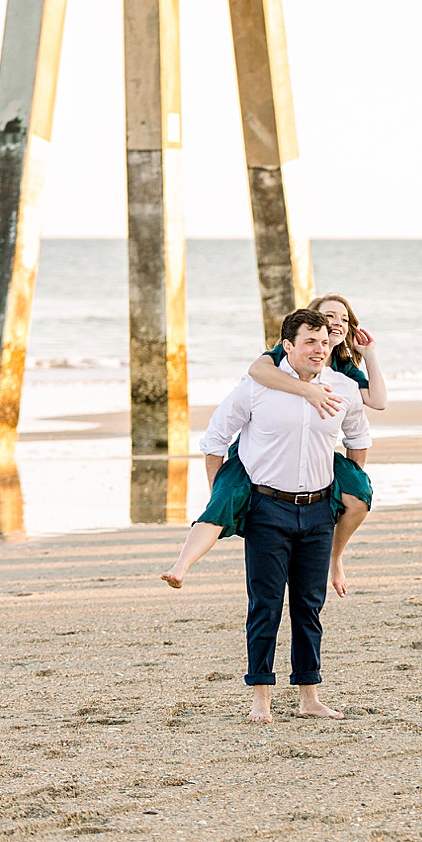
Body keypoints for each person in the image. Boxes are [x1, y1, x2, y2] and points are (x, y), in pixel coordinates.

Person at [159, 308, 372, 724]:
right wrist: (222, 492)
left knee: (309, 607)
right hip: (267, 508)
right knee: (265, 606)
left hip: (317, 511)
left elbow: (358, 438)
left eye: (324, 342)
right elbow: (215, 438)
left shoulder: (344, 388)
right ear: (287, 346)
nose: (319, 349)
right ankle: (261, 698)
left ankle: (310, 696)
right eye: (309, 342)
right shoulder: (257, 387)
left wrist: (347, 481)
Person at [246, 294, 385, 591]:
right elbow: (256, 370)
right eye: (330, 316)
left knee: (359, 497)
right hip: (273, 444)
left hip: (319, 449)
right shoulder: (288, 352)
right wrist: (307, 390)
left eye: (344, 319)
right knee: (226, 502)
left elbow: (378, 401)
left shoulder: (344, 367)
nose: (337, 323)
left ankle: (335, 557)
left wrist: (370, 354)